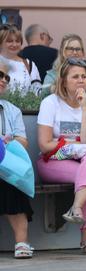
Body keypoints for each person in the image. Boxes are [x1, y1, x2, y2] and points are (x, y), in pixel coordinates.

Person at [36, 58, 86, 256]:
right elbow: (44, 145)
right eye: (75, 76)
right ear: (63, 81)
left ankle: (76, 208)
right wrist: (73, 145)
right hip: (53, 160)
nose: (81, 81)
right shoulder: (50, 103)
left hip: (83, 160)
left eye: (84, 77)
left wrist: (85, 108)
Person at [0, 59, 34, 258]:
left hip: (5, 164)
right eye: (0, 75)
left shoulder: (12, 110)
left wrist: (7, 142)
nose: (4, 80)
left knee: (11, 182)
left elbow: (23, 140)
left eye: (6, 76)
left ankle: (21, 242)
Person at [41, 34, 86, 99]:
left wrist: (58, 88)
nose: (75, 52)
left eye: (78, 49)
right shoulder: (53, 73)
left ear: (83, 52)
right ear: (62, 51)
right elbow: (44, 92)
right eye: (70, 49)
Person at [0, 24, 41, 94]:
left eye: (17, 41)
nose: (14, 44)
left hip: (24, 105)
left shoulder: (29, 65)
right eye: (10, 41)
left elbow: (37, 92)